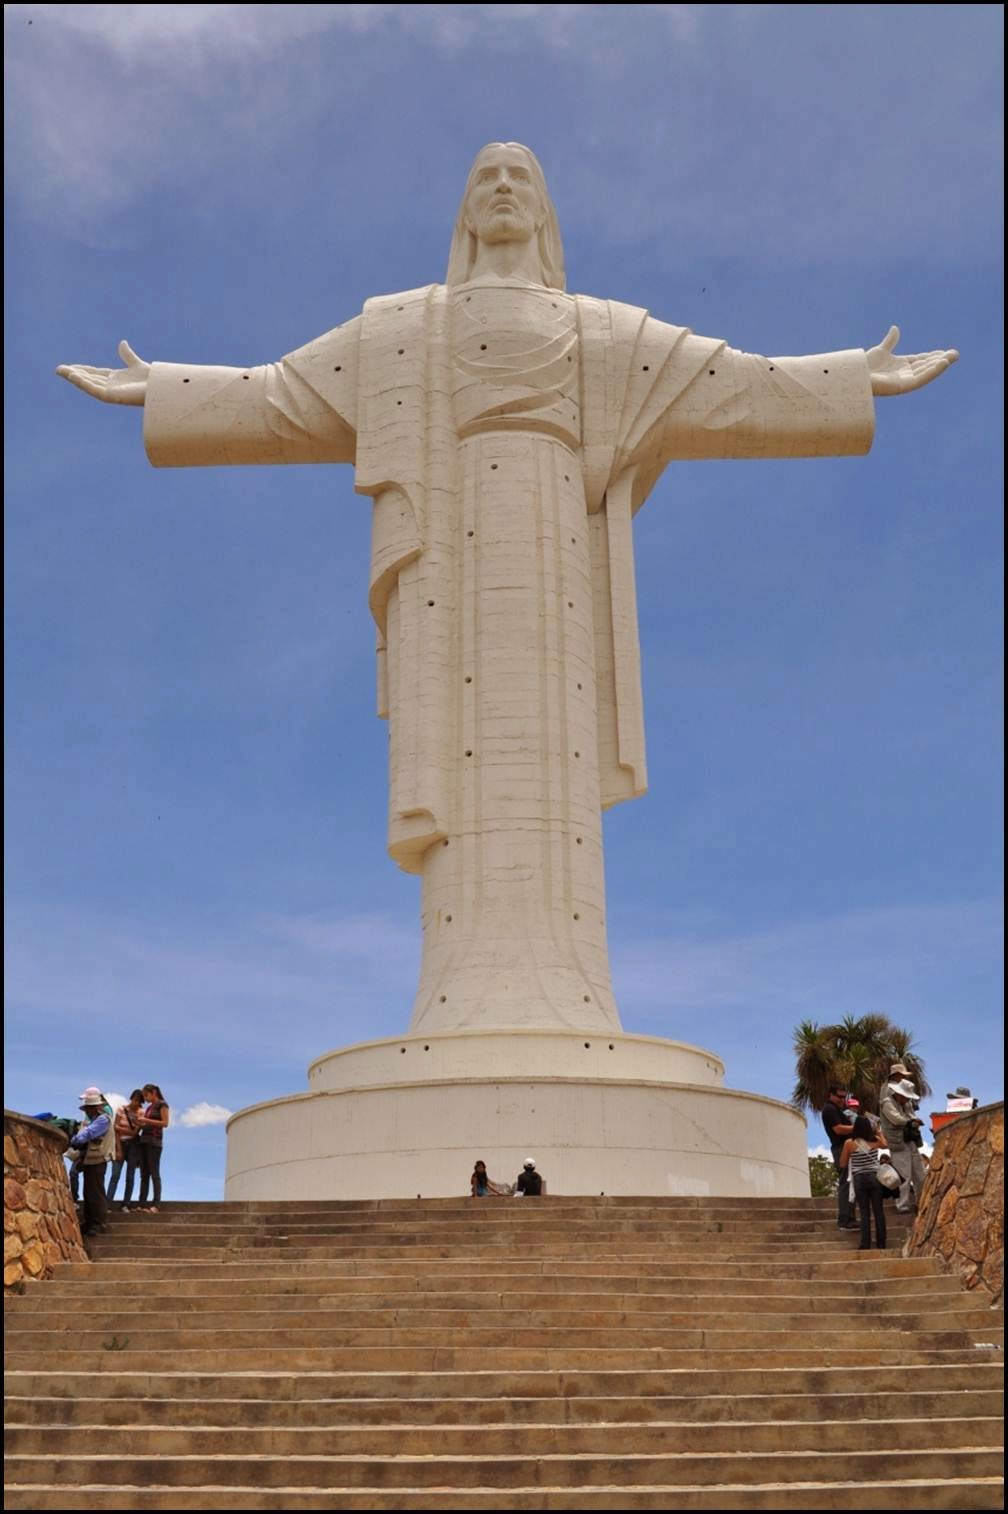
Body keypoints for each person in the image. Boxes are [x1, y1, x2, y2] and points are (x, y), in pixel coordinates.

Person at [57, 142, 958, 1044]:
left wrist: (848, 376)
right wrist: (164, 390)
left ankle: (570, 1003)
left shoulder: (603, 330)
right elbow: (282, 396)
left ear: (543, 212)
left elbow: (732, 384)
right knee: (460, 775)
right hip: (451, 555)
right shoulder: (403, 327)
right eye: (484, 177)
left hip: (556, 534)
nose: (499, 188)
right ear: (463, 212)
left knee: (552, 785)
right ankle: (455, 1000)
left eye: (518, 177)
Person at [68, 1087, 116, 1236]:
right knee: (89, 1191)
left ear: (93, 1108)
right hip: (91, 1159)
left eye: (87, 1108)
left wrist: (75, 1140)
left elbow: (89, 1133)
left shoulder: (103, 1120)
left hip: (98, 1159)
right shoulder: (97, 1119)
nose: (86, 1111)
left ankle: (98, 1223)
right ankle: (90, 1222)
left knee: (95, 1191)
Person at [839, 1114, 889, 1251]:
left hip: (859, 1179)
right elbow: (886, 1145)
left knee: (864, 1211)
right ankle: (881, 1243)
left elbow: (842, 1163)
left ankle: (865, 1244)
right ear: (868, 1127)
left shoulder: (849, 1143)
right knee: (878, 1211)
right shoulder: (876, 1140)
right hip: (874, 1177)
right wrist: (878, 1131)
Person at [879, 1077, 928, 1213]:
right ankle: (902, 1204)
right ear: (899, 1094)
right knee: (903, 1175)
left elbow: (911, 1116)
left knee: (920, 1173)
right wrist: (911, 1121)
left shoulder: (906, 1104)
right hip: (898, 1143)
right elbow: (897, 1119)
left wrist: (912, 1121)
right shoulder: (887, 1103)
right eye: (906, 1096)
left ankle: (922, 1201)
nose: (907, 1099)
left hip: (909, 1140)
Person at [821, 1086, 857, 1229]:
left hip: (844, 1148)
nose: (842, 1100)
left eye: (844, 1097)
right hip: (841, 1149)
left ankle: (849, 1218)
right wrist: (859, 1127)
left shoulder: (836, 1109)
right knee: (846, 1184)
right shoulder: (829, 1109)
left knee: (850, 1184)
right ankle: (845, 1220)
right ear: (831, 1095)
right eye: (839, 1096)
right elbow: (838, 1129)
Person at [107, 1089, 145, 1207]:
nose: (136, 1103)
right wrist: (118, 1148)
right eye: (135, 1100)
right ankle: (108, 1203)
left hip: (133, 1145)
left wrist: (120, 1129)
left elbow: (134, 1132)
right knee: (115, 1175)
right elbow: (115, 1130)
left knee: (130, 1176)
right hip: (121, 1143)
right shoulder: (121, 1110)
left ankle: (126, 1204)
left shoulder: (141, 1113)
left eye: (139, 1101)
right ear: (131, 1098)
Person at [136, 1083, 170, 1213]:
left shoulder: (162, 1104)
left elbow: (165, 1123)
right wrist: (140, 1122)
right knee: (144, 1174)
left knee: (154, 1173)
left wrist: (146, 1120)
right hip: (144, 1141)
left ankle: (156, 1204)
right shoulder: (149, 1107)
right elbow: (148, 1124)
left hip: (154, 1143)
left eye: (146, 1095)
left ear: (153, 1092)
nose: (145, 1098)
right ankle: (142, 1204)